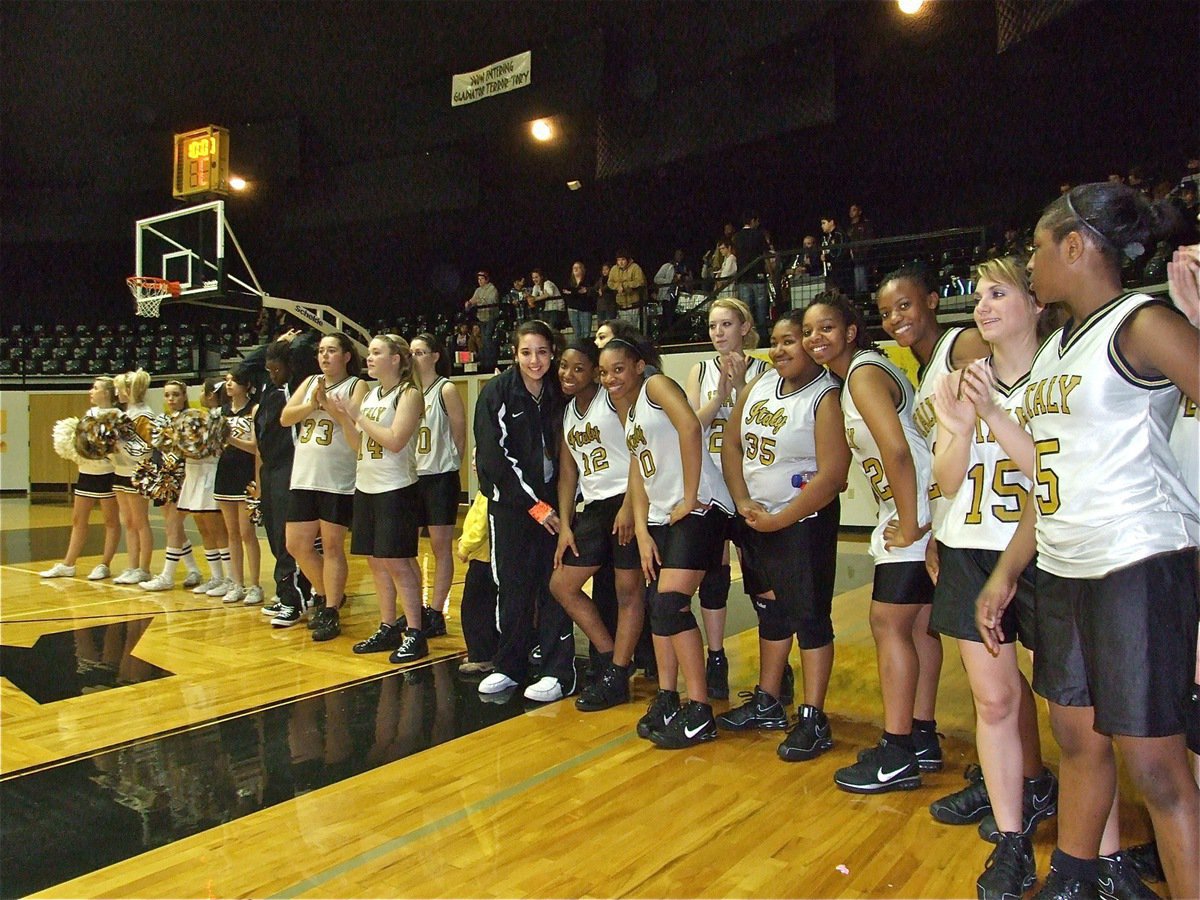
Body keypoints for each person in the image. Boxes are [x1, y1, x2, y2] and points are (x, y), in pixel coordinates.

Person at [976, 183, 1197, 900]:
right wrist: (1008, 570)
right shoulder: (1054, 351)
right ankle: (1073, 880)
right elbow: (1049, 473)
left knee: (1158, 769)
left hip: (1136, 561)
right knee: (1076, 738)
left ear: (1075, 248)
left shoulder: (1143, 322)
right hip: (1065, 565)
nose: (1030, 264)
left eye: (1037, 249)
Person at [924, 257, 1060, 899]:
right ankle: (1012, 841)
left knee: (1076, 717)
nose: (981, 305)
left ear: (1036, 303)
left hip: (1049, 555)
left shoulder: (1062, 374)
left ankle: (1098, 853)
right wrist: (955, 426)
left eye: (998, 292)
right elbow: (948, 481)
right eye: (977, 295)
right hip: (971, 551)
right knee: (996, 702)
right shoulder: (964, 380)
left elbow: (1055, 477)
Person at [801, 296, 943, 792]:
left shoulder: (862, 375)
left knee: (887, 624)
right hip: (916, 505)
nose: (816, 337)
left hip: (913, 508)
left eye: (827, 327)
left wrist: (909, 524)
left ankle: (898, 748)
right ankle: (922, 735)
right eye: (809, 330)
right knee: (921, 628)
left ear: (852, 331)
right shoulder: (858, 377)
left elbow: (898, 451)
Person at [718, 310, 850, 764]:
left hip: (802, 523)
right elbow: (730, 443)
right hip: (757, 520)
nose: (780, 349)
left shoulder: (826, 395)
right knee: (771, 611)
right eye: (775, 341)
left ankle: (813, 716)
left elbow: (833, 475)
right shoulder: (758, 386)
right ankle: (769, 699)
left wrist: (781, 518)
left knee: (810, 616)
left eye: (790, 340)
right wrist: (741, 500)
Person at [602, 334, 734, 748]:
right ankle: (668, 697)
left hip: (702, 509)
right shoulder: (628, 411)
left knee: (669, 604)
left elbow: (691, 426)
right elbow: (641, 475)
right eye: (604, 373)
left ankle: (700, 710)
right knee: (660, 610)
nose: (611, 379)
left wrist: (692, 494)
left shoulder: (657, 386)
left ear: (639, 365)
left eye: (619, 369)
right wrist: (641, 532)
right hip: (661, 516)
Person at [474, 320, 576, 702]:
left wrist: (555, 507)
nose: (535, 361)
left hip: (557, 509)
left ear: (553, 353)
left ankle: (557, 671)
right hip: (514, 509)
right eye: (527, 352)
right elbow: (493, 457)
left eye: (543, 352)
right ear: (515, 354)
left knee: (555, 587)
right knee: (513, 588)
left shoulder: (559, 393)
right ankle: (509, 665)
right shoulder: (496, 393)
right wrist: (534, 506)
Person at [551, 340, 644, 712]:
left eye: (577, 368)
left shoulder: (614, 399)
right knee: (563, 585)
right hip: (592, 508)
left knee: (627, 592)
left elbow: (640, 447)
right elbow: (567, 472)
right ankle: (611, 658)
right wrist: (565, 524)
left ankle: (618, 673)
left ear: (594, 371)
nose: (567, 374)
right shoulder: (569, 412)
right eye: (563, 366)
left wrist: (629, 506)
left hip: (628, 499)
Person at [685, 298, 769, 700]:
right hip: (713, 489)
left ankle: (777, 664)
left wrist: (738, 388)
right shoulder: (699, 371)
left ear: (744, 327)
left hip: (752, 487)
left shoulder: (765, 372)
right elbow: (688, 428)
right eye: (713, 325)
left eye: (726, 324)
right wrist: (718, 395)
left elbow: (761, 423)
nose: (718, 332)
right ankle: (716, 657)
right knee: (714, 577)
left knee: (761, 579)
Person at [326, 334, 428, 663]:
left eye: (376, 353)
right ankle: (388, 626)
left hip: (396, 487)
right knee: (375, 561)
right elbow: (360, 445)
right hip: (367, 486)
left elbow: (396, 440)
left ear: (396, 359)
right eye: (368, 353)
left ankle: (415, 631)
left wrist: (358, 414)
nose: (368, 358)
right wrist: (343, 415)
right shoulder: (370, 396)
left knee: (397, 561)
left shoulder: (409, 394)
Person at [280, 332, 369, 640]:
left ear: (346, 356)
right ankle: (327, 595)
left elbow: (355, 427)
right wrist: (312, 405)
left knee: (332, 546)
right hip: (304, 476)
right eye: (321, 351)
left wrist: (329, 407)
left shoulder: (357, 385)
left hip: (337, 477)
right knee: (296, 544)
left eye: (332, 351)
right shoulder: (309, 383)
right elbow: (285, 417)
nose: (325, 356)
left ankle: (329, 608)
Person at [240, 333, 316, 620]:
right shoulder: (268, 389)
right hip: (270, 469)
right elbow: (242, 369)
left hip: (291, 468)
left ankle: (294, 599)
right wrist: (272, 343)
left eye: (277, 369)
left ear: (290, 366)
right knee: (273, 535)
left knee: (288, 538)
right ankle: (293, 591)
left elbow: (303, 352)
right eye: (269, 370)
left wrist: (289, 343)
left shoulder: (296, 387)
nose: (272, 374)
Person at [40, 376, 121, 581]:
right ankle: (68, 564)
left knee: (110, 521)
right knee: (78, 519)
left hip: (108, 473)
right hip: (86, 472)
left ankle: (104, 564)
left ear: (108, 393)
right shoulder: (90, 414)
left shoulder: (117, 415)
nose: (91, 391)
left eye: (95, 388)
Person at [410, 333, 465, 634]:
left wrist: (449, 465)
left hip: (440, 477)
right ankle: (415, 607)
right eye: (411, 352)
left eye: (420, 352)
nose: (414, 357)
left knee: (440, 547)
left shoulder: (445, 389)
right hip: (411, 477)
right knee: (406, 548)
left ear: (434, 356)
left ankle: (436, 611)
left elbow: (459, 435)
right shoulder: (408, 391)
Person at [138, 379, 204, 591]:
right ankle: (193, 569)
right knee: (172, 526)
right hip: (165, 478)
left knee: (173, 526)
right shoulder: (161, 419)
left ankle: (167, 575)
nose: (171, 399)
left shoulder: (192, 419)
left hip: (184, 476)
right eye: (167, 395)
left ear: (184, 396)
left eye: (175, 394)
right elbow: (157, 449)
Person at [177, 377, 233, 597]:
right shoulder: (197, 417)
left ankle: (230, 577)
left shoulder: (220, 417)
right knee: (202, 527)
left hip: (211, 472)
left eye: (202, 390)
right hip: (193, 472)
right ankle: (216, 576)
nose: (199, 393)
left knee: (217, 528)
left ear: (210, 395)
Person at [213, 366, 262, 605]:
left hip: (246, 474)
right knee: (231, 532)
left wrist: (230, 439)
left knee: (246, 532)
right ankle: (236, 583)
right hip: (224, 473)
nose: (229, 384)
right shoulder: (220, 412)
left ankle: (255, 585)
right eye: (227, 380)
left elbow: (255, 447)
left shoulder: (254, 409)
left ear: (246, 384)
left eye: (234, 380)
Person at [110, 369, 155, 585]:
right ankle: (132, 565)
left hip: (137, 472)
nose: (117, 394)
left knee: (140, 522)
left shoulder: (144, 415)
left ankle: (144, 568)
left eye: (120, 390)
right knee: (127, 521)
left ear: (129, 391)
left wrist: (118, 444)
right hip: (120, 471)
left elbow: (145, 450)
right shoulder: (123, 415)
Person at [456, 459, 498, 675]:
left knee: (475, 609)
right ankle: (484, 651)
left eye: (477, 458)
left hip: (482, 560)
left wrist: (465, 546)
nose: (473, 464)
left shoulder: (487, 494)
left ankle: (481, 654)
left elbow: (479, 525)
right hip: (485, 559)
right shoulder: (485, 491)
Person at [733, 210, 770, 335]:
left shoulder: (736, 237)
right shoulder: (759, 234)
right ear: (753, 221)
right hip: (758, 276)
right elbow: (765, 254)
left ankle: (749, 337)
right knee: (761, 310)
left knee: (746, 311)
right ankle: (763, 338)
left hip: (743, 278)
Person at [464, 270, 500, 369]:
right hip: (481, 318)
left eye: (481, 279)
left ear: (486, 279)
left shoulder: (492, 289)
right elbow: (473, 300)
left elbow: (492, 301)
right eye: (478, 279)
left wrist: (479, 301)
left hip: (490, 317)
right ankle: (484, 361)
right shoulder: (478, 290)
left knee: (487, 338)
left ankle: (490, 362)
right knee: (483, 340)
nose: (479, 281)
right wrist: (469, 303)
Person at [608, 251, 647, 330]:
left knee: (636, 328)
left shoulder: (635, 267)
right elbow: (610, 282)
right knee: (624, 330)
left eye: (623, 260)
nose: (621, 262)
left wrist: (625, 285)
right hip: (621, 305)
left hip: (634, 304)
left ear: (627, 260)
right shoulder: (614, 269)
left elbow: (640, 281)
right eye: (619, 260)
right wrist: (618, 286)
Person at [565, 261, 596, 339]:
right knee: (577, 333)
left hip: (585, 309)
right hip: (573, 309)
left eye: (577, 267)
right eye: (574, 268)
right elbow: (565, 292)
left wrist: (572, 292)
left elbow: (591, 292)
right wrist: (577, 292)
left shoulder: (588, 280)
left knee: (586, 332)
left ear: (582, 269)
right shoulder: (569, 281)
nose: (575, 269)